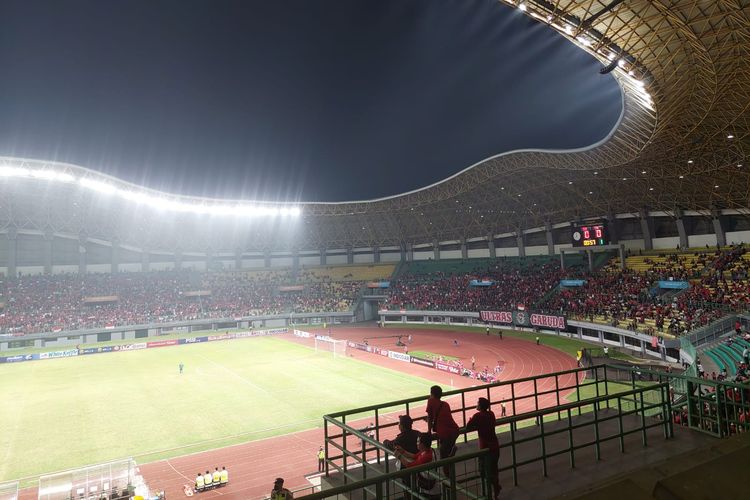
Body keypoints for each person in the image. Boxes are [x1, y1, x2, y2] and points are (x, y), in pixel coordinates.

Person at [465, 398, 501, 499]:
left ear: (480, 406)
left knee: (484, 471)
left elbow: (468, 426)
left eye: (477, 403)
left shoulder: (478, 416)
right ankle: (495, 489)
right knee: (493, 469)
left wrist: (471, 419)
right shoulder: (491, 414)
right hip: (495, 446)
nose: (476, 404)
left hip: (485, 448)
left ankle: (489, 493)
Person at [394, 433, 440, 500]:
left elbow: (410, 466)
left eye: (418, 442)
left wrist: (399, 456)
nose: (416, 443)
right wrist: (402, 451)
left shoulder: (426, 456)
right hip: (429, 487)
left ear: (423, 444)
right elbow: (414, 456)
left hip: (430, 491)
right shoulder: (427, 450)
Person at [426, 385, 460, 470]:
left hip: (445, 434)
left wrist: (429, 431)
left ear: (432, 394)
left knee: (444, 460)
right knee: (446, 455)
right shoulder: (445, 404)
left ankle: (447, 480)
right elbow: (443, 419)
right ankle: (451, 454)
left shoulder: (431, 401)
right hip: (454, 431)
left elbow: (430, 418)